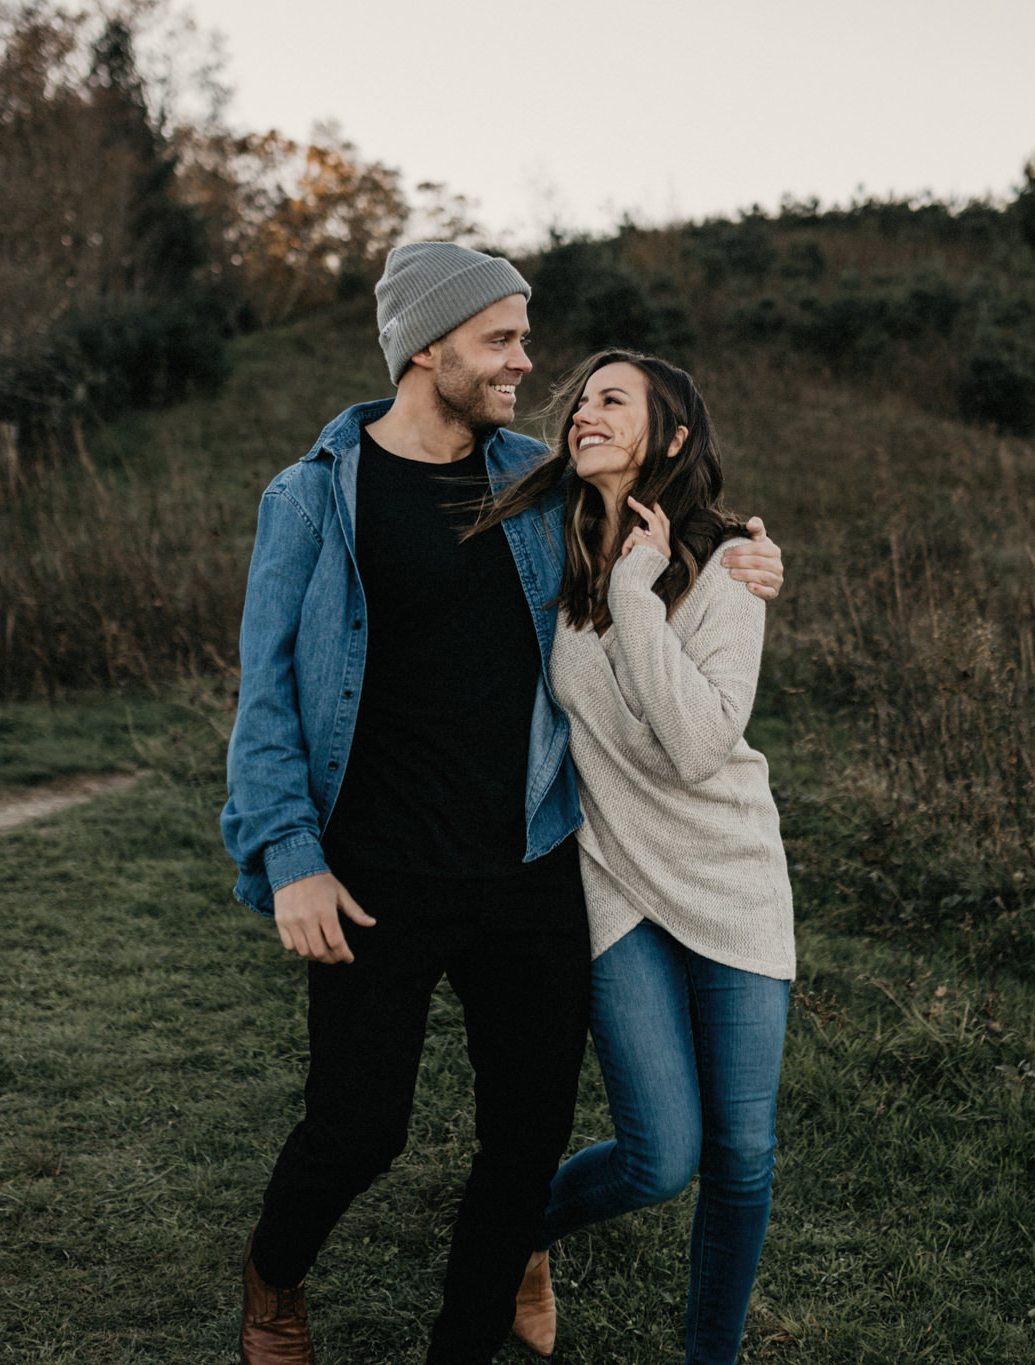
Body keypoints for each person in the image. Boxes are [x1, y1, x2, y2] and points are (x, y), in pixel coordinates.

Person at [219, 246, 784, 1365]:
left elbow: (663, 497)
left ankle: (467, 1335)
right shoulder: (314, 497)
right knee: (357, 1129)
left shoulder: (536, 480)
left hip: (532, 863)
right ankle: (273, 1279)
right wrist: (287, 854)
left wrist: (745, 555)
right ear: (424, 348)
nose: (529, 363)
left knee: (522, 1145)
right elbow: (268, 692)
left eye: (526, 339)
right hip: (372, 872)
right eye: (501, 341)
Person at [474, 350, 795, 1364]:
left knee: (739, 1158)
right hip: (612, 877)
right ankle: (517, 1233)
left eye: (612, 400)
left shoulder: (726, 569)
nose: (581, 413)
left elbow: (699, 744)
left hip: (727, 878)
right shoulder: (547, 547)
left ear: (672, 437)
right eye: (578, 400)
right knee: (660, 1159)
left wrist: (638, 591)